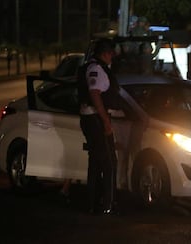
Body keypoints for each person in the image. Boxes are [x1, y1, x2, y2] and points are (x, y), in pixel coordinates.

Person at [78, 38, 124, 215]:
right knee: (108, 163)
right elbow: (95, 94)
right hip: (95, 120)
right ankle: (107, 204)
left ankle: (94, 203)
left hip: (94, 119)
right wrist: (105, 121)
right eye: (111, 54)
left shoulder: (96, 68)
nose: (112, 57)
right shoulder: (96, 69)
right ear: (105, 53)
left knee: (97, 162)